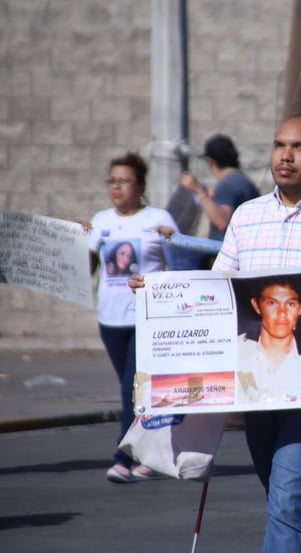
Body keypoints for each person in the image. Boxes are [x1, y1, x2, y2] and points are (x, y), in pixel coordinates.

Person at [132, 115, 301, 553]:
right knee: (294, 507)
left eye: (300, 147)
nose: (286, 156)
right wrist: (159, 296)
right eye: (279, 145)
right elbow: (218, 295)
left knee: (287, 503)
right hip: (257, 392)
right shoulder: (247, 218)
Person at [87, 151, 179, 483]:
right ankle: (150, 455)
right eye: (112, 181)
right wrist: (75, 243)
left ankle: (122, 457)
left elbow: (177, 266)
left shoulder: (158, 218)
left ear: (140, 185)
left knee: (133, 389)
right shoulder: (100, 221)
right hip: (110, 319)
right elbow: (88, 269)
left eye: (124, 181)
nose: (117, 187)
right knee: (137, 392)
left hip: (147, 318)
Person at [236, 275, 301, 403]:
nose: (282, 313)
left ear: (300, 307)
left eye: (291, 304)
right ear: (256, 305)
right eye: (272, 303)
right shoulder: (235, 351)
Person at [179, 134, 260, 243]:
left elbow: (222, 222)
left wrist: (198, 190)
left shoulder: (226, 185)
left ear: (211, 162)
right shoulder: (245, 182)